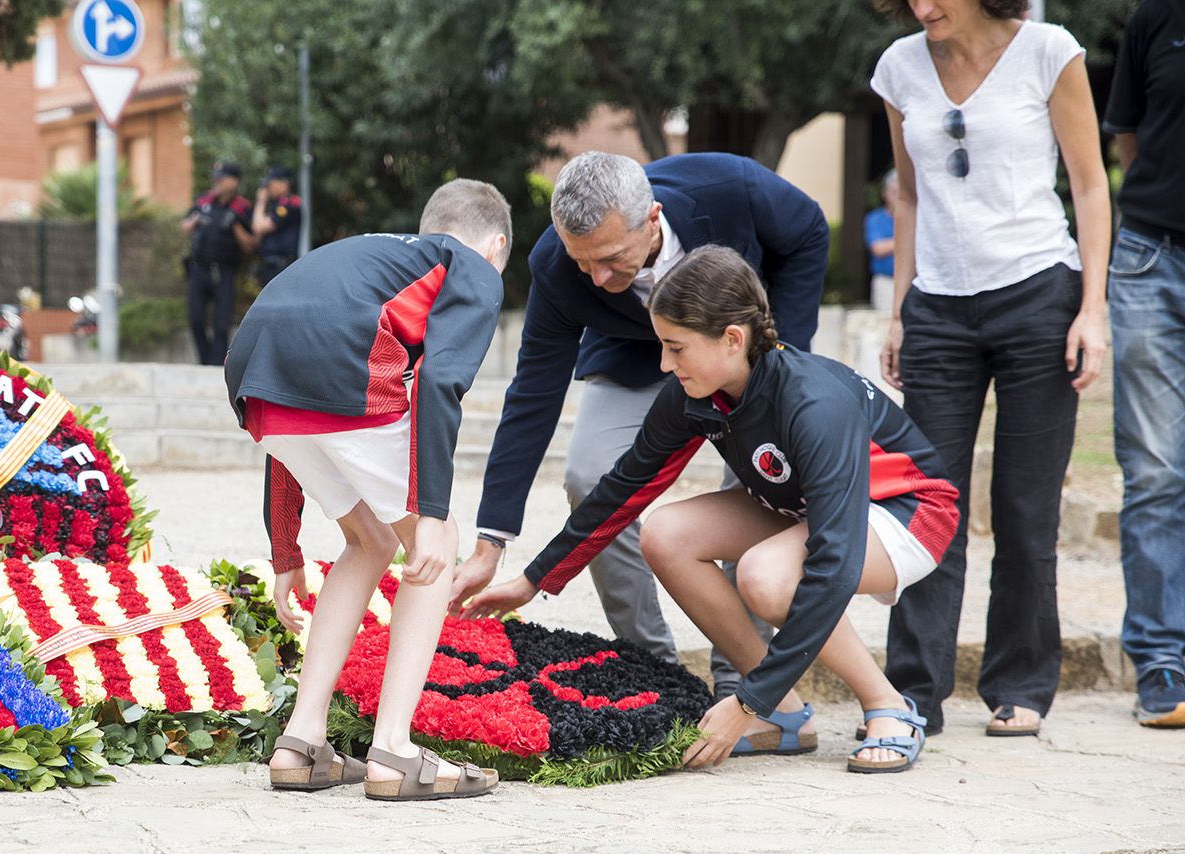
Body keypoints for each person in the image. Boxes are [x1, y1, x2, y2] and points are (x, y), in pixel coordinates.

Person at [466, 246, 960, 774]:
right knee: (666, 533)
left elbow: (832, 563)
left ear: (732, 338)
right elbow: (624, 488)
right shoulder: (697, 391)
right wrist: (533, 580)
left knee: (767, 578)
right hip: (808, 506)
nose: (664, 364)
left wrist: (746, 700)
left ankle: (888, 706)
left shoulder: (814, 403)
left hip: (906, 508)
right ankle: (785, 717)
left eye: (676, 348)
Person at [448, 151, 830, 705]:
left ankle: (745, 677)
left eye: (610, 259)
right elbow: (533, 393)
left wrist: (781, 355)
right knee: (588, 474)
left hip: (741, 352)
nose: (599, 279)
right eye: (585, 265)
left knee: (758, 483)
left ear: (651, 219)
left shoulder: (731, 188)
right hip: (631, 357)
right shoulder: (559, 263)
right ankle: (655, 669)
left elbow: (808, 232)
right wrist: (492, 542)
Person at [224, 178, 512, 800]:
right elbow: (439, 382)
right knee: (438, 539)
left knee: (371, 539)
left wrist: (286, 551)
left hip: (252, 381)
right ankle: (393, 751)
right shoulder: (474, 267)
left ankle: (300, 743)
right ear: (495, 246)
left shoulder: (364, 255)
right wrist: (432, 513)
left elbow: (293, 393)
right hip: (340, 370)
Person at [872, 0, 1110, 738]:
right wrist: (901, 309)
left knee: (1024, 505)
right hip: (939, 308)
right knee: (928, 504)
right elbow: (908, 195)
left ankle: (1021, 683)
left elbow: (1091, 183)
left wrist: (1091, 309)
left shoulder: (1048, 50)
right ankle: (912, 692)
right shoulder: (898, 67)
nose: (923, 7)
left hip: (1040, 294)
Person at [1103, 0, 1185, 729]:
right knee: (1157, 467)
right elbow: (1128, 134)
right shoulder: (1157, 15)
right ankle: (1163, 661)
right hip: (1153, 257)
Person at [182, 161, 256, 366]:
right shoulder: (203, 201)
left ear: (234, 181)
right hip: (199, 268)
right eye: (216, 177)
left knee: (221, 324)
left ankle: (217, 364)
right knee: (195, 319)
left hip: (224, 270)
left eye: (222, 178)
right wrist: (195, 221)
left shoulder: (241, 207)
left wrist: (234, 225)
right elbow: (185, 227)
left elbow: (250, 244)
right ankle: (204, 362)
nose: (217, 182)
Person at [252, 164, 303, 286]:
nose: (268, 188)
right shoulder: (275, 205)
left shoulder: (290, 203)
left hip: (281, 266)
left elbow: (258, 228)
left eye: (271, 183)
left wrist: (261, 201)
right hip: (269, 264)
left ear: (284, 183)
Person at [865, 170, 899, 312]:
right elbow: (878, 249)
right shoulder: (876, 218)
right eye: (894, 192)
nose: (898, 197)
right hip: (886, 281)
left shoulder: (917, 218)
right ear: (885, 193)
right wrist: (906, 241)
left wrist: (891, 244)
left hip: (913, 282)